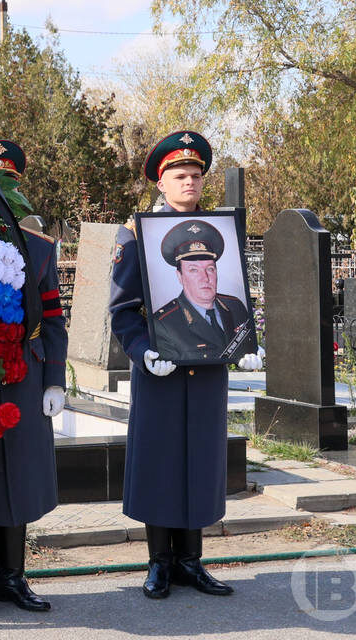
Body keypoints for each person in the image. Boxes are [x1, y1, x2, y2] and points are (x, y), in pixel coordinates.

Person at [109, 131, 263, 600]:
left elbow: (233, 297)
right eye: (180, 175)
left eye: (196, 175)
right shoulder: (136, 235)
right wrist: (142, 352)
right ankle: (159, 563)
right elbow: (122, 311)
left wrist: (247, 342)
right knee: (161, 462)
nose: (190, 182)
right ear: (162, 182)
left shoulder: (221, 233)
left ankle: (191, 563)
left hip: (207, 373)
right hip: (160, 373)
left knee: (200, 461)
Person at [0, 139, 68, 616]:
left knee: (21, 475)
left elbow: (53, 319)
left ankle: (12, 579)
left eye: (9, 185)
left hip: (25, 374)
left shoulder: (40, 251)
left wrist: (53, 380)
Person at [152, 219, 250, 361]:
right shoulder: (164, 323)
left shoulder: (236, 307)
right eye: (193, 270)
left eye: (210, 269)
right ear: (180, 276)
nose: (205, 278)